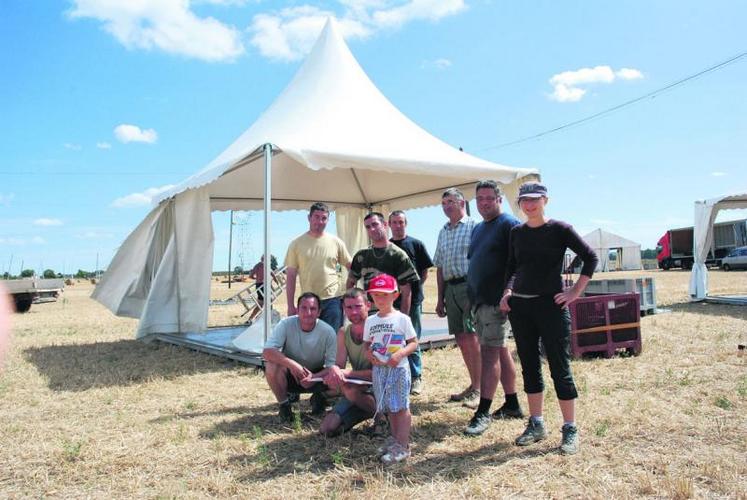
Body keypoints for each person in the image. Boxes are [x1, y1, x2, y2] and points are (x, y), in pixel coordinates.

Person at [499, 181, 598, 455]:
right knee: (529, 367)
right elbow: (512, 266)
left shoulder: (560, 229)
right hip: (521, 309)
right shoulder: (516, 232)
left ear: (545, 201)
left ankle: (569, 428)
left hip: (552, 308)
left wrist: (575, 292)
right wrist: (507, 292)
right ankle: (536, 423)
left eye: (535, 199)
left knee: (559, 368)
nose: (529, 205)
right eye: (524, 201)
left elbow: (590, 258)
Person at [463, 180, 524, 436]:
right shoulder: (478, 228)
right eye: (479, 199)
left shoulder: (509, 225)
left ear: (499, 199)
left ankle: (483, 412)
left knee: (489, 354)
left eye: (489, 198)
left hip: (497, 302)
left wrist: (507, 293)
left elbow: (520, 263)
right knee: (499, 351)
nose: (484, 202)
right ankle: (511, 404)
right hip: (480, 301)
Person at [433, 188, 481, 408]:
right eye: (443, 203)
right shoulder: (443, 231)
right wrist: (440, 297)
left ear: (462, 203)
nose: (446, 206)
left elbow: (481, 261)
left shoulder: (474, 226)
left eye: (451, 201)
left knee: (472, 338)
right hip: (451, 289)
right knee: (461, 339)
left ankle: (480, 389)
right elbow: (440, 267)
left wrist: (476, 290)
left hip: (469, 286)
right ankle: (473, 384)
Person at [363, 274, 418, 465]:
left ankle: (403, 445)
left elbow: (413, 343)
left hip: (398, 370)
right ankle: (395, 440)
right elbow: (366, 345)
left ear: (395, 295)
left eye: (385, 295)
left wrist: (400, 354)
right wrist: (368, 354)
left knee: (401, 406)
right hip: (380, 371)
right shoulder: (370, 321)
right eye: (376, 295)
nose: (380, 299)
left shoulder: (402, 319)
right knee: (389, 406)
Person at [263, 292, 337, 423]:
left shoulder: (328, 331)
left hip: (317, 375)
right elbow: (267, 351)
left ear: (319, 312)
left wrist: (314, 378)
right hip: (292, 374)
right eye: (304, 308)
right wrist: (292, 365)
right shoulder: (285, 324)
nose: (308, 312)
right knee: (271, 365)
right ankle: (284, 406)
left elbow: (333, 367)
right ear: (297, 310)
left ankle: (320, 398)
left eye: (313, 308)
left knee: (338, 377)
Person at [285, 202, 352, 333]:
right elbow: (291, 276)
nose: (320, 221)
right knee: (309, 339)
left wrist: (349, 292)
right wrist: (290, 306)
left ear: (327, 220)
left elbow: (351, 266)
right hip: (308, 302)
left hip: (333, 300)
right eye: (316, 217)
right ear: (309, 218)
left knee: (333, 339)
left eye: (324, 218)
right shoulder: (296, 244)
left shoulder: (336, 242)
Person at [318, 288, 375, 436]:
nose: (354, 312)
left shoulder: (377, 329)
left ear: (368, 305)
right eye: (349, 307)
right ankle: (365, 411)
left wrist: (346, 373)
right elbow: (339, 364)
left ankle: (382, 414)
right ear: (343, 308)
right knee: (327, 429)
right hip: (358, 388)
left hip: (380, 388)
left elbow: (378, 373)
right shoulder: (344, 332)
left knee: (348, 388)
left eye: (358, 306)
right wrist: (334, 372)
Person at [389, 210, 434, 394]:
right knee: (392, 340)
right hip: (391, 301)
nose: (398, 225)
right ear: (389, 225)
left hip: (413, 300)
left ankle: (416, 377)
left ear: (405, 223)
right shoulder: (387, 246)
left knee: (411, 338)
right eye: (394, 222)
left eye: (401, 222)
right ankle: (396, 375)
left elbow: (424, 272)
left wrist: (415, 288)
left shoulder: (416, 244)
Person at [346, 212, 418, 315]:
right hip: (369, 314)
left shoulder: (398, 255)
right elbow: (350, 282)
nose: (372, 229)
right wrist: (353, 308)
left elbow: (406, 292)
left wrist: (403, 319)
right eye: (368, 227)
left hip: (392, 313)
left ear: (384, 224)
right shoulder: (361, 255)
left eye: (375, 224)